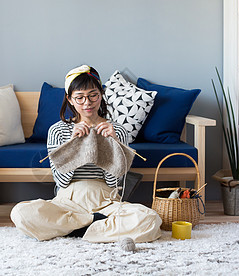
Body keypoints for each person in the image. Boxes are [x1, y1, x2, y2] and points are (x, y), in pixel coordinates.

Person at [11, 65, 162, 243]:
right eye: (79, 97)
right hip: (67, 202)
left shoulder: (117, 130)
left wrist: (112, 143)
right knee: (21, 214)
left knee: (150, 219)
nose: (87, 103)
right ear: (70, 99)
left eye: (93, 95)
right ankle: (94, 225)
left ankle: (72, 229)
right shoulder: (58, 131)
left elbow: (115, 182)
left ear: (101, 94)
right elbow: (61, 181)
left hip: (107, 201)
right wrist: (72, 146)